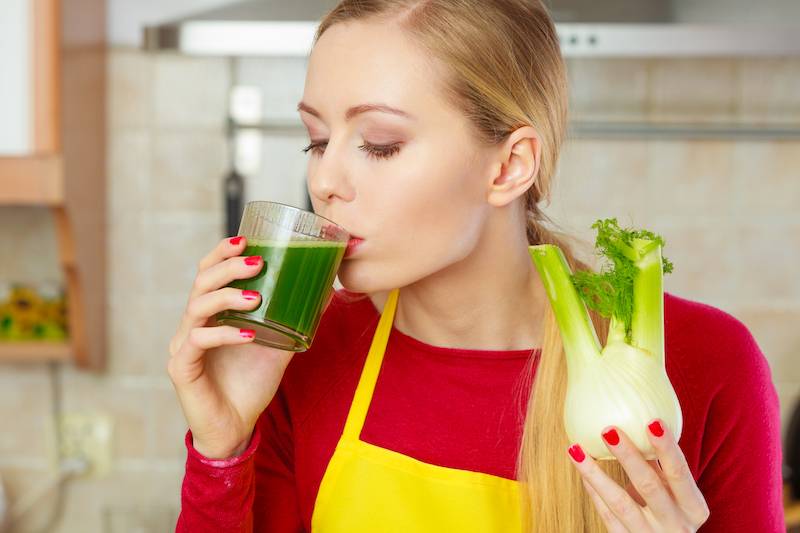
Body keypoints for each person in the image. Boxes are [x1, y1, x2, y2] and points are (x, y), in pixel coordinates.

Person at [168, 1, 785, 531]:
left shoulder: (704, 364)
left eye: (379, 144)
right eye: (317, 140)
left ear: (510, 166)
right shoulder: (296, 355)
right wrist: (222, 452)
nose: (324, 181)